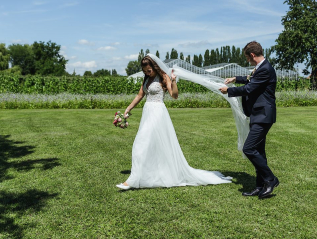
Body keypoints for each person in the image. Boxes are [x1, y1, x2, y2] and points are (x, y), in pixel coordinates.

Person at [116, 54, 232, 190]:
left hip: (158, 113)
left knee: (140, 144)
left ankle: (132, 181)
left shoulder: (164, 77)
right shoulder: (146, 79)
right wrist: (128, 109)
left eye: (149, 70)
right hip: (147, 113)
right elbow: (140, 95)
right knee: (150, 145)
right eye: (145, 71)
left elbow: (174, 96)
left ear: (154, 67)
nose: (147, 73)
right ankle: (148, 174)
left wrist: (174, 81)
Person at [219, 41, 279, 199]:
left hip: (263, 115)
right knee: (259, 151)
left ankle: (270, 179)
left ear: (252, 55)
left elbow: (249, 88)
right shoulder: (261, 68)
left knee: (249, 149)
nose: (247, 61)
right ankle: (260, 186)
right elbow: (249, 79)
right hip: (258, 114)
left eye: (247, 58)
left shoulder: (265, 69)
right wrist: (235, 79)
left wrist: (228, 91)